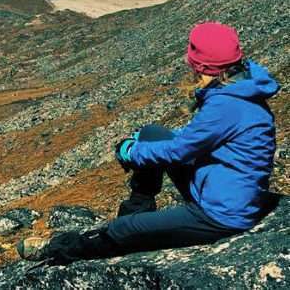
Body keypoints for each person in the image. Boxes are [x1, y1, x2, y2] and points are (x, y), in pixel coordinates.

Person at [17, 22, 280, 264]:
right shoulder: (240, 87)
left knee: (123, 229)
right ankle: (138, 209)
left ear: (201, 65)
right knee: (153, 133)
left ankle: (57, 249)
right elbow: (199, 136)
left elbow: (179, 151)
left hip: (221, 213)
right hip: (217, 186)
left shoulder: (226, 104)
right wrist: (142, 146)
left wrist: (130, 151)